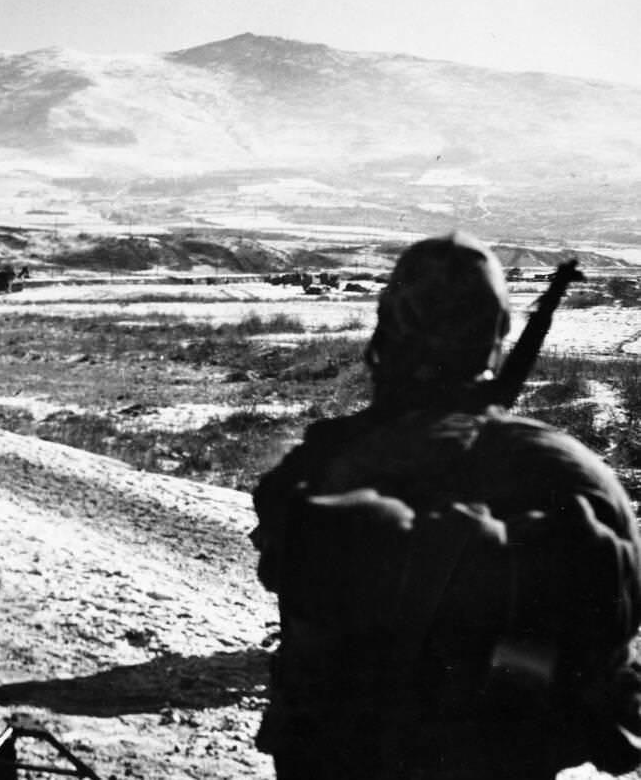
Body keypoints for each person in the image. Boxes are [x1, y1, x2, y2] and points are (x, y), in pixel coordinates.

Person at [251, 232, 641, 780]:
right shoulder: (574, 475)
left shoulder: (321, 463)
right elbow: (608, 688)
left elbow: (283, 578)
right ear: (496, 336)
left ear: (385, 334)